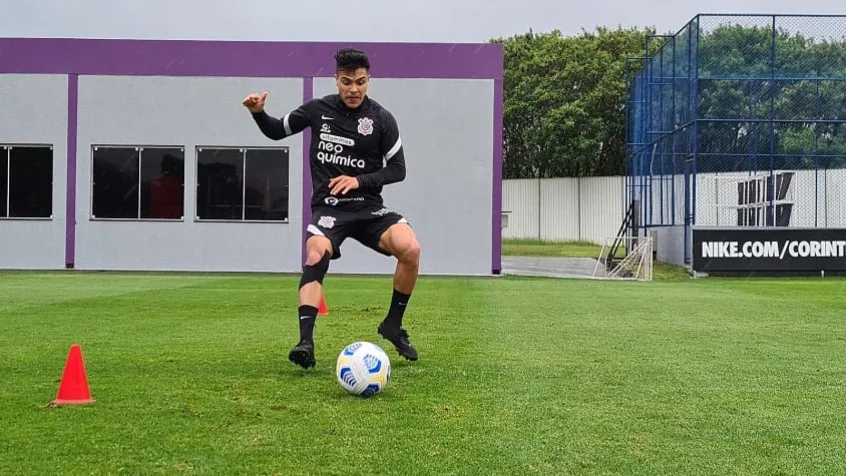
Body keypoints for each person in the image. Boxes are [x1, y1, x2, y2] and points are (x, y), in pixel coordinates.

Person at [242, 48, 422, 369]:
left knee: (411, 248)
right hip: (329, 209)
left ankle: (392, 325)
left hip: (368, 208)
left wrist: (359, 180)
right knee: (315, 254)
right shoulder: (317, 110)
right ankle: (305, 343)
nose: (354, 89)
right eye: (347, 81)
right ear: (336, 80)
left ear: (369, 80)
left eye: (361, 82)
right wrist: (258, 112)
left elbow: (398, 169)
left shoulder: (381, 119)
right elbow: (276, 130)